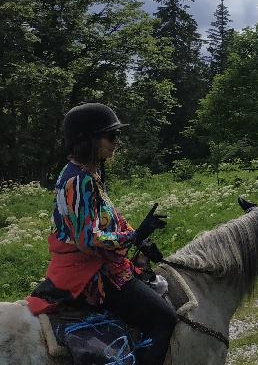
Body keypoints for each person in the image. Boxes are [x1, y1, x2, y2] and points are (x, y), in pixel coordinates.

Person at [31, 103, 175, 365]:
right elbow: (88, 239)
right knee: (164, 318)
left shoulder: (88, 174)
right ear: (87, 139)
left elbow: (110, 219)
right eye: (111, 136)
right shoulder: (78, 180)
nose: (116, 142)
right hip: (88, 273)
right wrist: (131, 238)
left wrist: (140, 238)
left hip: (99, 264)